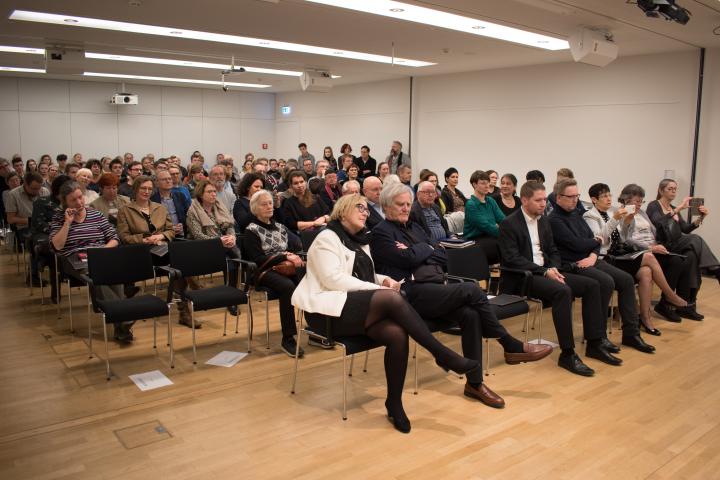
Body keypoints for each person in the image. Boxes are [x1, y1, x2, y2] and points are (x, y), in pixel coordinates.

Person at [293, 193, 481, 433]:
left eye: (366, 209)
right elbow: (333, 280)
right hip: (328, 312)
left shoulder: (359, 240)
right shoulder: (326, 238)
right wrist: (378, 290)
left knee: (397, 334)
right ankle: (441, 353)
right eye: (359, 207)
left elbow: (365, 275)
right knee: (391, 298)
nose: (365, 212)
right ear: (342, 210)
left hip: (355, 306)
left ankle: (394, 403)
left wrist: (383, 280)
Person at [370, 183, 552, 409]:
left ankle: (475, 384)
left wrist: (419, 251)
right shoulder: (380, 233)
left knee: (470, 315)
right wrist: (424, 250)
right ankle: (509, 344)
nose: (406, 208)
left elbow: (443, 256)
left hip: (435, 288)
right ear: (386, 206)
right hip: (408, 296)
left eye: (408, 203)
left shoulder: (415, 227)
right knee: (473, 289)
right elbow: (407, 260)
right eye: (400, 204)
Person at [499, 181, 605, 376]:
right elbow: (512, 259)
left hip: (548, 271)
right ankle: (567, 353)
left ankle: (595, 342)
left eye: (543, 199)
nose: (542, 204)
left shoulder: (544, 220)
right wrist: (544, 271)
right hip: (524, 277)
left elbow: (553, 250)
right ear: (524, 200)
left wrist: (553, 268)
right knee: (563, 291)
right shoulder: (509, 224)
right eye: (538, 200)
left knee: (591, 285)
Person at [549, 178, 654, 358]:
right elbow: (576, 244)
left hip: (590, 259)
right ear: (559, 197)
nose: (575, 200)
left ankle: (631, 333)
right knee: (605, 282)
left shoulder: (575, 213)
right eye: (571, 196)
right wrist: (592, 246)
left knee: (627, 280)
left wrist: (592, 254)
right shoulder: (555, 219)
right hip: (574, 264)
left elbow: (595, 241)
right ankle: (598, 338)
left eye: (577, 196)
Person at [602, 184, 691, 332]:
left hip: (646, 251)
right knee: (650, 257)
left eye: (641, 201)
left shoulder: (642, 213)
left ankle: (645, 317)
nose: (638, 204)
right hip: (627, 254)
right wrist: (649, 246)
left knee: (647, 272)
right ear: (626, 199)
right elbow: (625, 239)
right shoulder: (618, 213)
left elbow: (653, 231)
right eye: (636, 201)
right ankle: (670, 295)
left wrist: (657, 243)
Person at [49, 181, 130, 341]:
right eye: (73, 200)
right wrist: (67, 223)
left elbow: (114, 238)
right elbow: (56, 246)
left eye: (80, 197)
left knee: (116, 272)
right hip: (74, 259)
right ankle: (124, 317)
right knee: (96, 276)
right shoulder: (59, 218)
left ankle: (120, 326)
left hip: (100, 255)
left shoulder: (95, 214)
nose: (79, 202)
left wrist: (103, 251)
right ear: (65, 203)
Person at [646, 178, 719, 320]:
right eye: (670, 189)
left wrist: (701, 218)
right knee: (695, 239)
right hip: (664, 245)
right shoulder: (654, 205)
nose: (673, 191)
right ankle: (715, 269)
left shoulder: (673, 207)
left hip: (678, 243)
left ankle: (686, 306)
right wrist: (678, 208)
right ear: (661, 190)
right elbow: (659, 223)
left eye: (675, 189)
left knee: (691, 256)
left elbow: (685, 229)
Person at [242, 190, 304, 356]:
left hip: (285, 267)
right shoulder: (251, 230)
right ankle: (288, 338)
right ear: (255, 208)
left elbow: (294, 246)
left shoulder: (280, 227)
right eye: (264, 204)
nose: (269, 206)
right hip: (263, 271)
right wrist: (284, 256)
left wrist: (293, 256)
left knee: (310, 280)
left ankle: (318, 327)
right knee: (287, 287)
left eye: (270, 203)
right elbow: (258, 260)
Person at [185, 180, 242, 320]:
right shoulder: (193, 210)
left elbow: (229, 225)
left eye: (214, 192)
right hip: (202, 248)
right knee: (232, 256)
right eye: (209, 192)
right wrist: (219, 241)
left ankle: (231, 298)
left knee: (232, 259)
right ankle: (231, 297)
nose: (213, 194)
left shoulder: (218, 206)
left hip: (223, 244)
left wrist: (232, 237)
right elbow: (198, 235)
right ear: (200, 194)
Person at [5, 171, 50, 286]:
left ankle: (49, 266)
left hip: (43, 226)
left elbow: (49, 214)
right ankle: (34, 275)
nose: (37, 192)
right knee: (36, 242)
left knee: (56, 239)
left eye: (39, 188)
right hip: (24, 228)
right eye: (34, 188)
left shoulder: (44, 191)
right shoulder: (13, 194)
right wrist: (31, 220)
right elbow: (11, 219)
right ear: (25, 184)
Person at [463, 170, 504, 264]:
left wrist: (511, 231)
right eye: (483, 183)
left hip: (490, 235)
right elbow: (485, 226)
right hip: (475, 239)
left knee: (511, 242)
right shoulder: (471, 204)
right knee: (498, 244)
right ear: (474, 185)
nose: (487, 186)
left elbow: (502, 219)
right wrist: (505, 233)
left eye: (488, 183)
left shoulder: (490, 201)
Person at [151, 170, 190, 238]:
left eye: (169, 179)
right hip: (163, 236)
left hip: (181, 234)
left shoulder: (180, 196)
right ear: (157, 183)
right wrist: (169, 230)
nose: (168, 181)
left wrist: (182, 225)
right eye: (164, 179)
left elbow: (188, 215)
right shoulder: (152, 200)